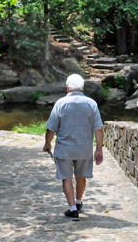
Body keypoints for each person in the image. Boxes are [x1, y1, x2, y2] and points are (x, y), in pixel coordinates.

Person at [43, 74, 103, 221]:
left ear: (67, 87)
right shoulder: (91, 104)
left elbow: (51, 128)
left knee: (67, 178)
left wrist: (47, 143)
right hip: (84, 149)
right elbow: (99, 129)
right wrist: (99, 149)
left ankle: (72, 209)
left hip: (65, 149)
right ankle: (78, 201)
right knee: (81, 177)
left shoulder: (61, 103)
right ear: (82, 87)